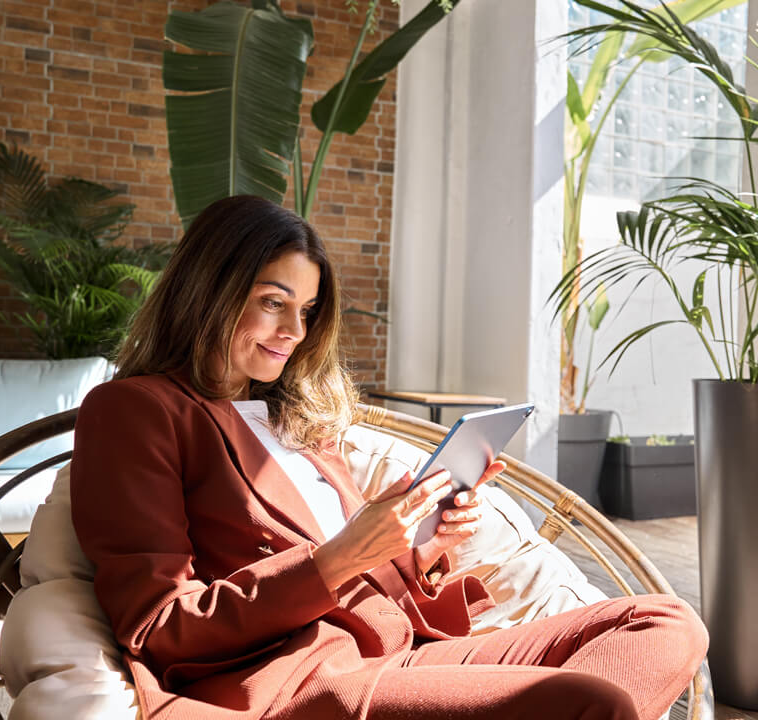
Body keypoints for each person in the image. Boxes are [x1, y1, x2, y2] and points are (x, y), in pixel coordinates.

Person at [71, 194, 708, 720]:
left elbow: (359, 574)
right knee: (588, 700)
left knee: (666, 619)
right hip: (303, 682)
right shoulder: (136, 411)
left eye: (307, 310)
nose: (293, 331)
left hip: (401, 649)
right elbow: (160, 626)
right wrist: (344, 554)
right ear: (209, 290)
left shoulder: (297, 418)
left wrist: (421, 545)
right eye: (272, 302)